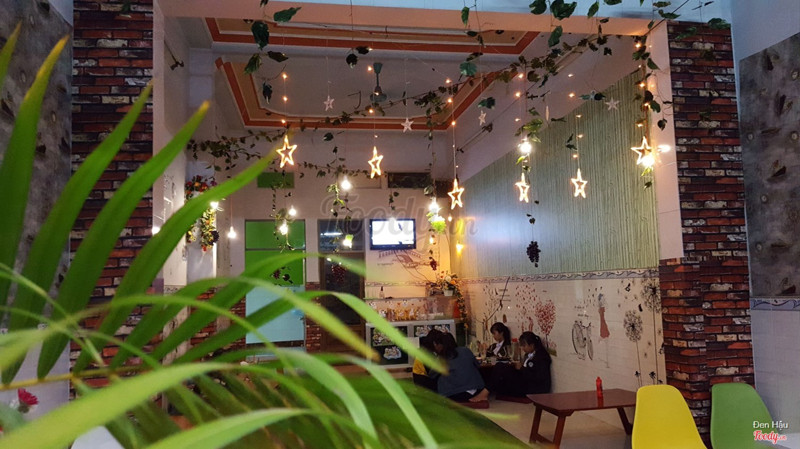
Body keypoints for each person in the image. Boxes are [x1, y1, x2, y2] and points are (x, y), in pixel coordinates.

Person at [429, 331, 489, 402]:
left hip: (454, 393)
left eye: (435, 345)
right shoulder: (466, 350)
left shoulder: (442, 357)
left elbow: (432, 374)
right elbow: (477, 365)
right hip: (475, 390)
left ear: (440, 345)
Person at [488, 331, 551, 397]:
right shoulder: (529, 354)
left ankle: (486, 391)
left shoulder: (541, 357)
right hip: (525, 381)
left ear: (532, 345)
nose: (522, 348)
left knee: (500, 369)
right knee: (500, 367)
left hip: (533, 388)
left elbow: (537, 377)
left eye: (524, 346)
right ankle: (488, 390)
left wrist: (522, 368)